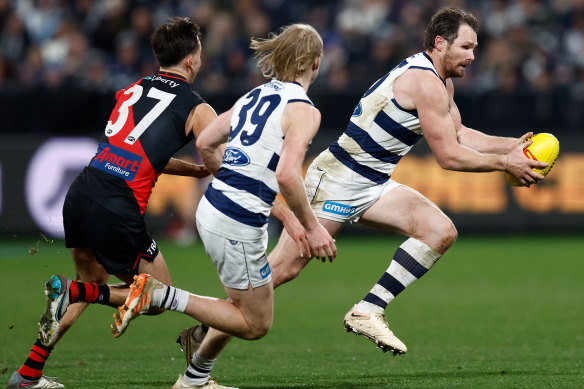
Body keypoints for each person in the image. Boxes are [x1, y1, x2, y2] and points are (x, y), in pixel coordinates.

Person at [171, 6, 552, 366]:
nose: (472, 56)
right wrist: (505, 163)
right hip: (338, 180)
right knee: (281, 271)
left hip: (372, 182)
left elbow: (460, 132)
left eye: (475, 48)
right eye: (466, 47)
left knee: (439, 231)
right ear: (440, 43)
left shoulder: (439, 82)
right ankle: (204, 331)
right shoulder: (424, 82)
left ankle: (368, 309)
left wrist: (513, 146)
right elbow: (449, 156)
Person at [110, 23, 336, 389]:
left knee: (238, 305)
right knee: (254, 323)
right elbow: (288, 177)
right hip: (239, 223)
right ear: (316, 63)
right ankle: (160, 294)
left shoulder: (254, 95)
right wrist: (311, 227)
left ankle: (194, 378)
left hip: (212, 207)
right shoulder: (305, 110)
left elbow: (209, 142)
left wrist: (229, 176)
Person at [9, 17, 216, 389]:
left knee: (92, 280)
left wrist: (192, 171)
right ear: (191, 60)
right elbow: (219, 158)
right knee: (158, 294)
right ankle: (74, 292)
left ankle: (28, 375)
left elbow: (138, 153)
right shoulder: (196, 107)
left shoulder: (133, 88)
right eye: (200, 51)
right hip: (117, 204)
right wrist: (213, 169)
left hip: (84, 190)